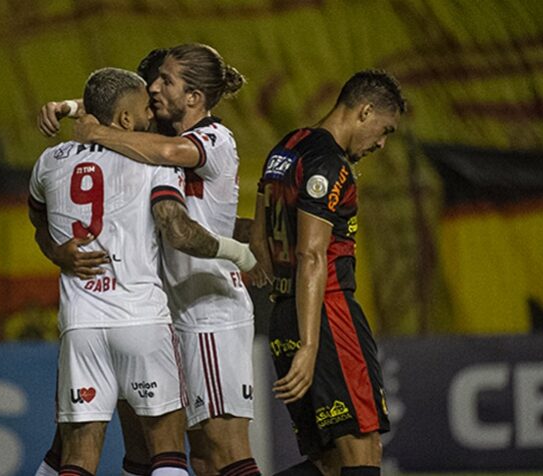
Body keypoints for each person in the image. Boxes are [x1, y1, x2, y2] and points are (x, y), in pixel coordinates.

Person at [39, 44, 266, 476]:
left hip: (208, 310)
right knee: (192, 457)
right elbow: (115, 104)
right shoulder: (155, 134)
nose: (154, 88)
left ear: (195, 98)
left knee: (224, 451)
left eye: (166, 82)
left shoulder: (213, 138)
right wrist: (68, 106)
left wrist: (97, 134)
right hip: (164, 311)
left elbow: (162, 152)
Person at [249, 70, 407, 476]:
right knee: (362, 447)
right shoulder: (329, 164)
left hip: (285, 314)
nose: (381, 144)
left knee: (329, 461)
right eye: (383, 130)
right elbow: (312, 254)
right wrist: (309, 344)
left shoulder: (286, 148)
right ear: (365, 110)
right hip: (325, 315)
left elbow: (258, 240)